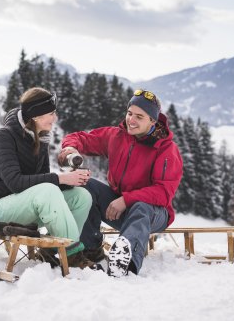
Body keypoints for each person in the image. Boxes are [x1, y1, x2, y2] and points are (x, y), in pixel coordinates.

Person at [58, 89, 183, 277]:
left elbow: (163, 193)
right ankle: (91, 250)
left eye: (139, 117)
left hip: (154, 212)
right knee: (86, 184)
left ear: (153, 121)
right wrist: (70, 148)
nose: (131, 120)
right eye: (129, 113)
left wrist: (126, 200)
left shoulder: (166, 149)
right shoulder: (117, 136)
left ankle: (126, 263)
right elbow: (82, 138)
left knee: (141, 207)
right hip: (118, 205)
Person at [0, 87, 97, 269]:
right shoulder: (4, 138)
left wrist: (73, 180)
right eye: (51, 113)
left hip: (20, 204)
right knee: (48, 190)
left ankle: (52, 252)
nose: (55, 118)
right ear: (35, 116)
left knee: (81, 196)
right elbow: (15, 183)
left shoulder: (40, 138)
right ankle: (72, 255)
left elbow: (44, 180)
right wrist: (62, 179)